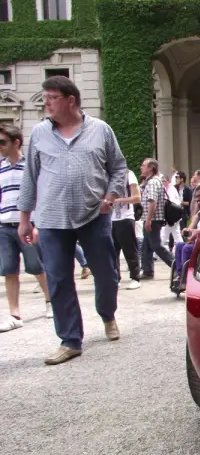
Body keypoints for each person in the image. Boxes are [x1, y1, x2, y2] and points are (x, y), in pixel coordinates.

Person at [17, 75, 127, 365]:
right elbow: (30, 176)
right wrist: (24, 219)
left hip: (93, 215)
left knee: (106, 273)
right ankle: (70, 340)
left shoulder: (100, 129)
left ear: (70, 100)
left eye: (52, 97)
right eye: (45, 97)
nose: (46, 103)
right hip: (51, 219)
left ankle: (107, 314)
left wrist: (111, 196)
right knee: (58, 278)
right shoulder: (39, 133)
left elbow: (118, 167)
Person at [0, 124, 52, 332]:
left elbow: (41, 196)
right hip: (4, 225)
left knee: (37, 267)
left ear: (16, 142)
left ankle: (50, 302)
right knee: (9, 271)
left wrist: (37, 223)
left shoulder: (30, 166)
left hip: (28, 225)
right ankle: (15, 314)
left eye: (2, 142)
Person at [111, 169, 141, 290]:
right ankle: (115, 278)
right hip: (111, 219)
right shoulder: (107, 175)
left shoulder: (129, 174)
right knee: (112, 251)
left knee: (129, 249)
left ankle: (135, 277)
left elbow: (137, 197)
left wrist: (119, 200)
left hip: (125, 217)